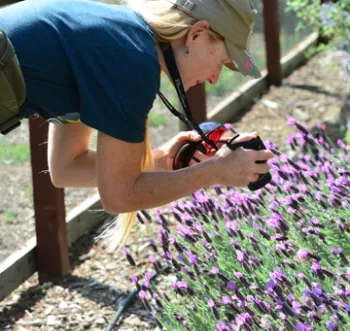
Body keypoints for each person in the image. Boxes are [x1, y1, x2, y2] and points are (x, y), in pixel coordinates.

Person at [0, 0, 274, 250]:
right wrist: (215, 171)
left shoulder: (119, 37)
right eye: (223, 61)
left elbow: (67, 167)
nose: (214, 79)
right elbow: (119, 197)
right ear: (196, 35)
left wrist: (163, 161)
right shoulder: (132, 58)